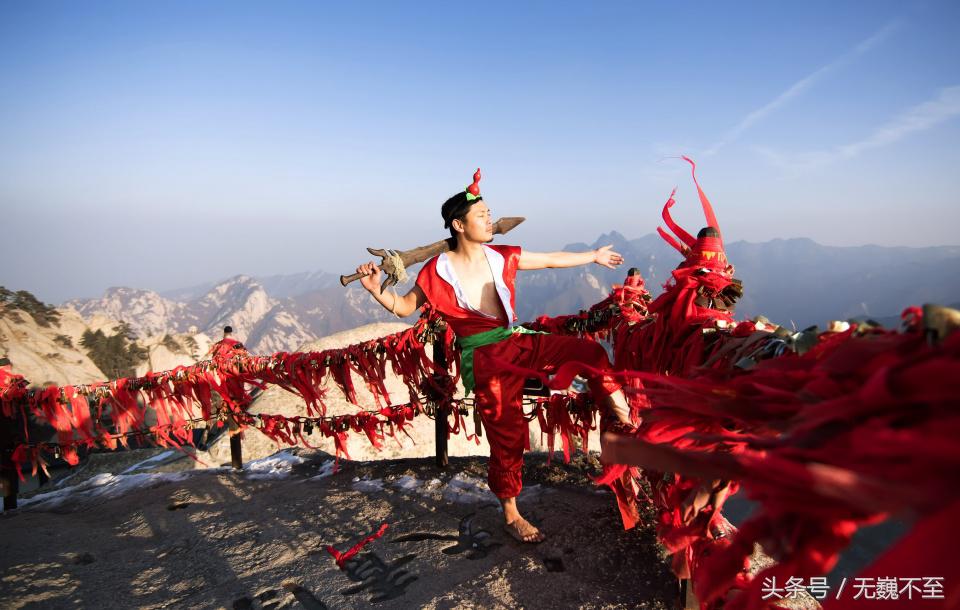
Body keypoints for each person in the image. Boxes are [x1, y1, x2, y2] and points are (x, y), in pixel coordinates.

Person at [356, 169, 633, 543]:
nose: (490, 220)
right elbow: (405, 307)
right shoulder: (435, 271)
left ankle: (623, 421)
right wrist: (376, 289)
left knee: (590, 352)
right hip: (486, 358)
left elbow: (550, 259)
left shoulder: (501, 255)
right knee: (507, 432)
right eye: (481, 215)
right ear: (459, 224)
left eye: (489, 213)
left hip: (517, 340)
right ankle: (511, 512)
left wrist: (594, 256)